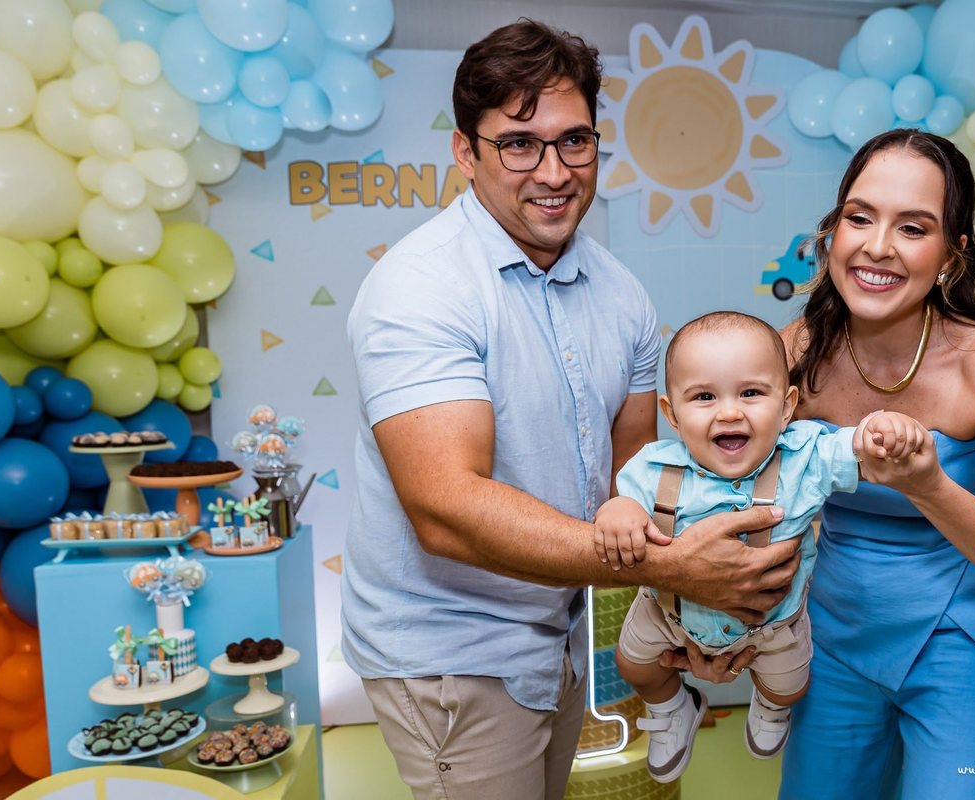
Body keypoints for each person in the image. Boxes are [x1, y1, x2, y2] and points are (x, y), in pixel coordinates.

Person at [341, 20, 800, 800]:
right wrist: (678, 569)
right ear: (466, 153)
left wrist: (685, 623)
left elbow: (632, 490)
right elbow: (445, 510)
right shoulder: (420, 290)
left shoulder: (620, 293)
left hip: (565, 630)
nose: (553, 171)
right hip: (456, 651)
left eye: (574, 141)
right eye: (519, 143)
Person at [770, 128, 975, 799]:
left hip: (968, 643)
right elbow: (737, 486)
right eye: (859, 218)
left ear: (950, 257)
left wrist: (929, 486)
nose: (877, 246)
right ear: (832, 233)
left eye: (913, 227)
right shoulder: (796, 352)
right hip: (837, 639)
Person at [595, 310, 931, 782]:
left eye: (751, 393)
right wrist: (619, 513)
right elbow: (623, 502)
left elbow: (851, 447)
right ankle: (673, 706)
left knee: (791, 684)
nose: (729, 411)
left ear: (787, 405)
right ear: (672, 415)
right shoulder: (655, 468)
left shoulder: (803, 456)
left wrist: (883, 431)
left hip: (773, 626)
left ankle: (771, 707)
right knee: (633, 663)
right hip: (667, 614)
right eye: (705, 397)